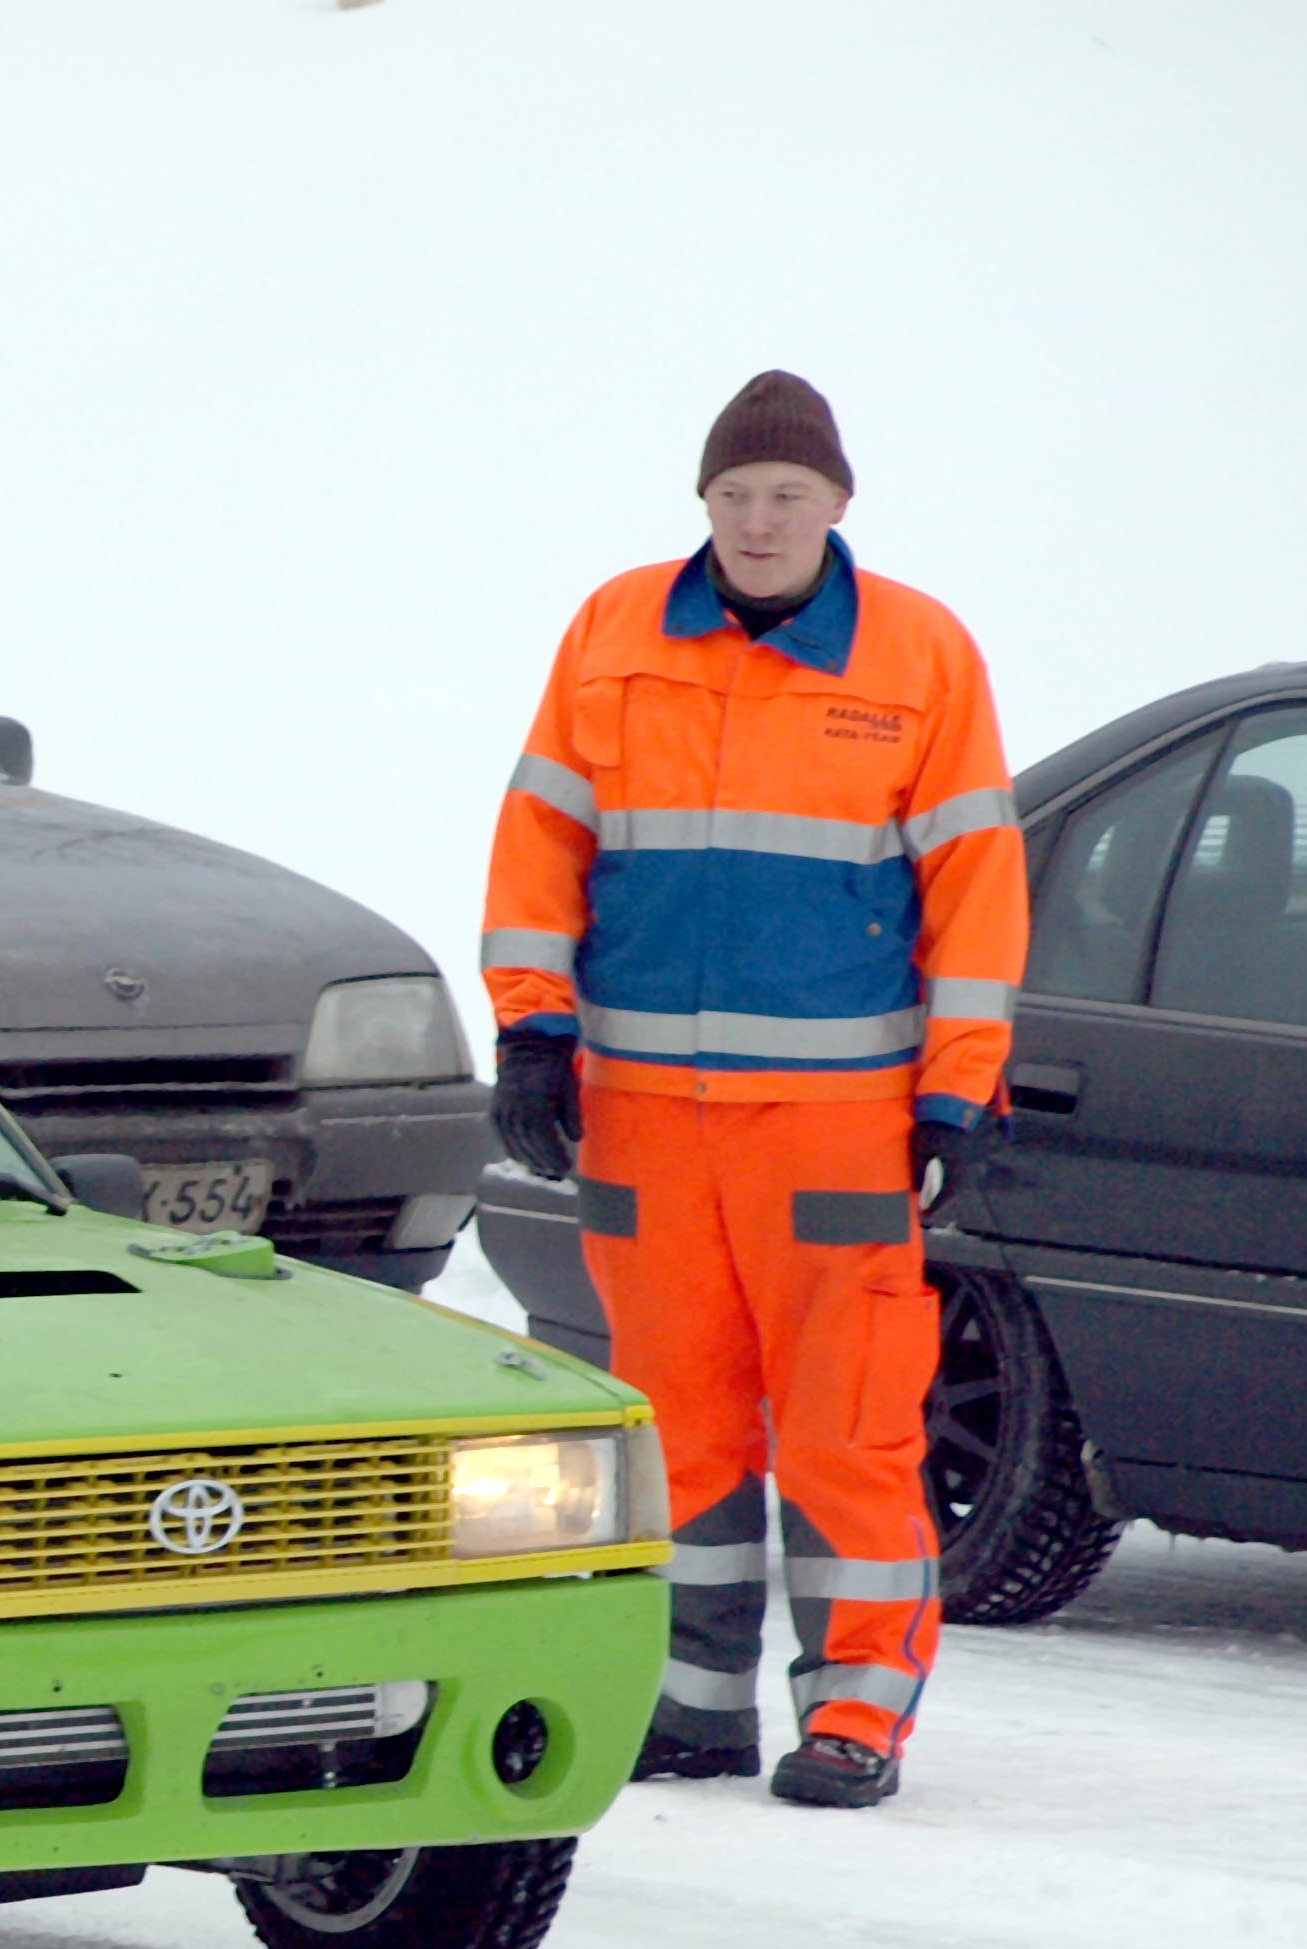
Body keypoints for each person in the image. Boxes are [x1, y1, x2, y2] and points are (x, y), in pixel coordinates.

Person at [480, 372, 1027, 1809]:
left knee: (848, 1427)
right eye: (734, 497)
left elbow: (977, 889)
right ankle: (690, 1701)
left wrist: (955, 1096)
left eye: (787, 496)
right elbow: (542, 838)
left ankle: (855, 1710)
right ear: (702, 507)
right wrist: (531, 1031)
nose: (759, 521)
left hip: (837, 1124)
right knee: (678, 1419)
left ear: (838, 505)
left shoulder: (918, 653)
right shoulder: (612, 628)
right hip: (644, 1114)